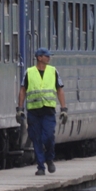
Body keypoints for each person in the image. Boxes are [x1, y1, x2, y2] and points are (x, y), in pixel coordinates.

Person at [17, 47, 67, 175]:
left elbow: (59, 90)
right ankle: (40, 167)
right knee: (36, 138)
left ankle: (49, 159)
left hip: (48, 110)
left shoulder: (53, 71)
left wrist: (63, 109)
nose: (49, 58)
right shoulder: (29, 72)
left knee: (49, 136)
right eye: (46, 56)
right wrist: (20, 109)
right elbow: (23, 90)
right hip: (34, 111)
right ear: (39, 58)